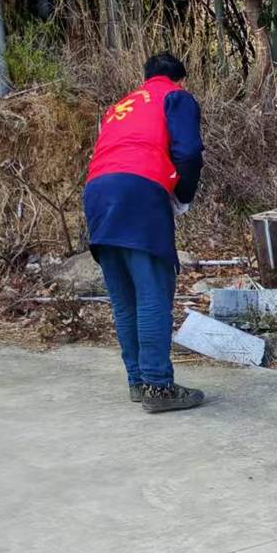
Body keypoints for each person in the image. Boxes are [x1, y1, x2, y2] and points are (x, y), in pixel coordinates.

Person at [83, 52, 206, 413]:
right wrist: (183, 196)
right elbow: (189, 152)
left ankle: (138, 381)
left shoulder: (120, 106)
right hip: (138, 189)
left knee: (124, 296)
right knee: (153, 289)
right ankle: (158, 386)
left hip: (97, 191)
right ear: (181, 79)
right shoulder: (176, 96)